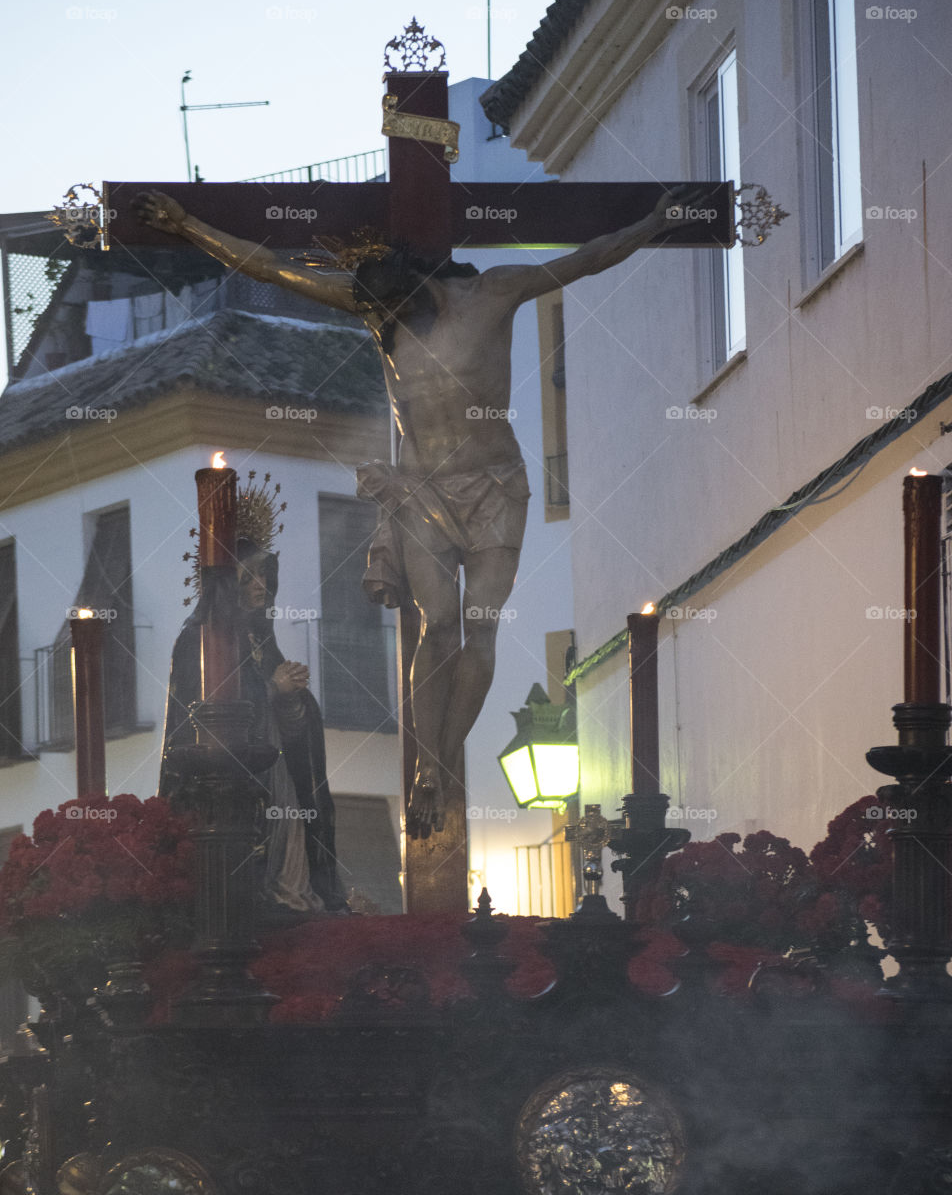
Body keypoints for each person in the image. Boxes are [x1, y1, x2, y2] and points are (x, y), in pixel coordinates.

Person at [137, 185, 692, 835]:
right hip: (422, 490)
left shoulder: (494, 294)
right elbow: (267, 267)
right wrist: (186, 223)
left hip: (493, 487)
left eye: (390, 317)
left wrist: (655, 220)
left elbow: (590, 256)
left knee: (479, 627)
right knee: (441, 625)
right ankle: (430, 767)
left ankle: (441, 762)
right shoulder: (379, 306)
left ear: (418, 289)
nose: (381, 331)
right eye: (375, 322)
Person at [160, 536, 345, 917]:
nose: (261, 586)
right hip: (230, 770)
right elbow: (202, 708)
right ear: (228, 586)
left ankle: (290, 891)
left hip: (275, 765)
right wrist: (271, 687)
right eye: (248, 579)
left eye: (265, 576)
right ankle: (261, 895)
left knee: (290, 829)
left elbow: (292, 729)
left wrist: (293, 701)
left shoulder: (261, 639)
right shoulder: (197, 638)